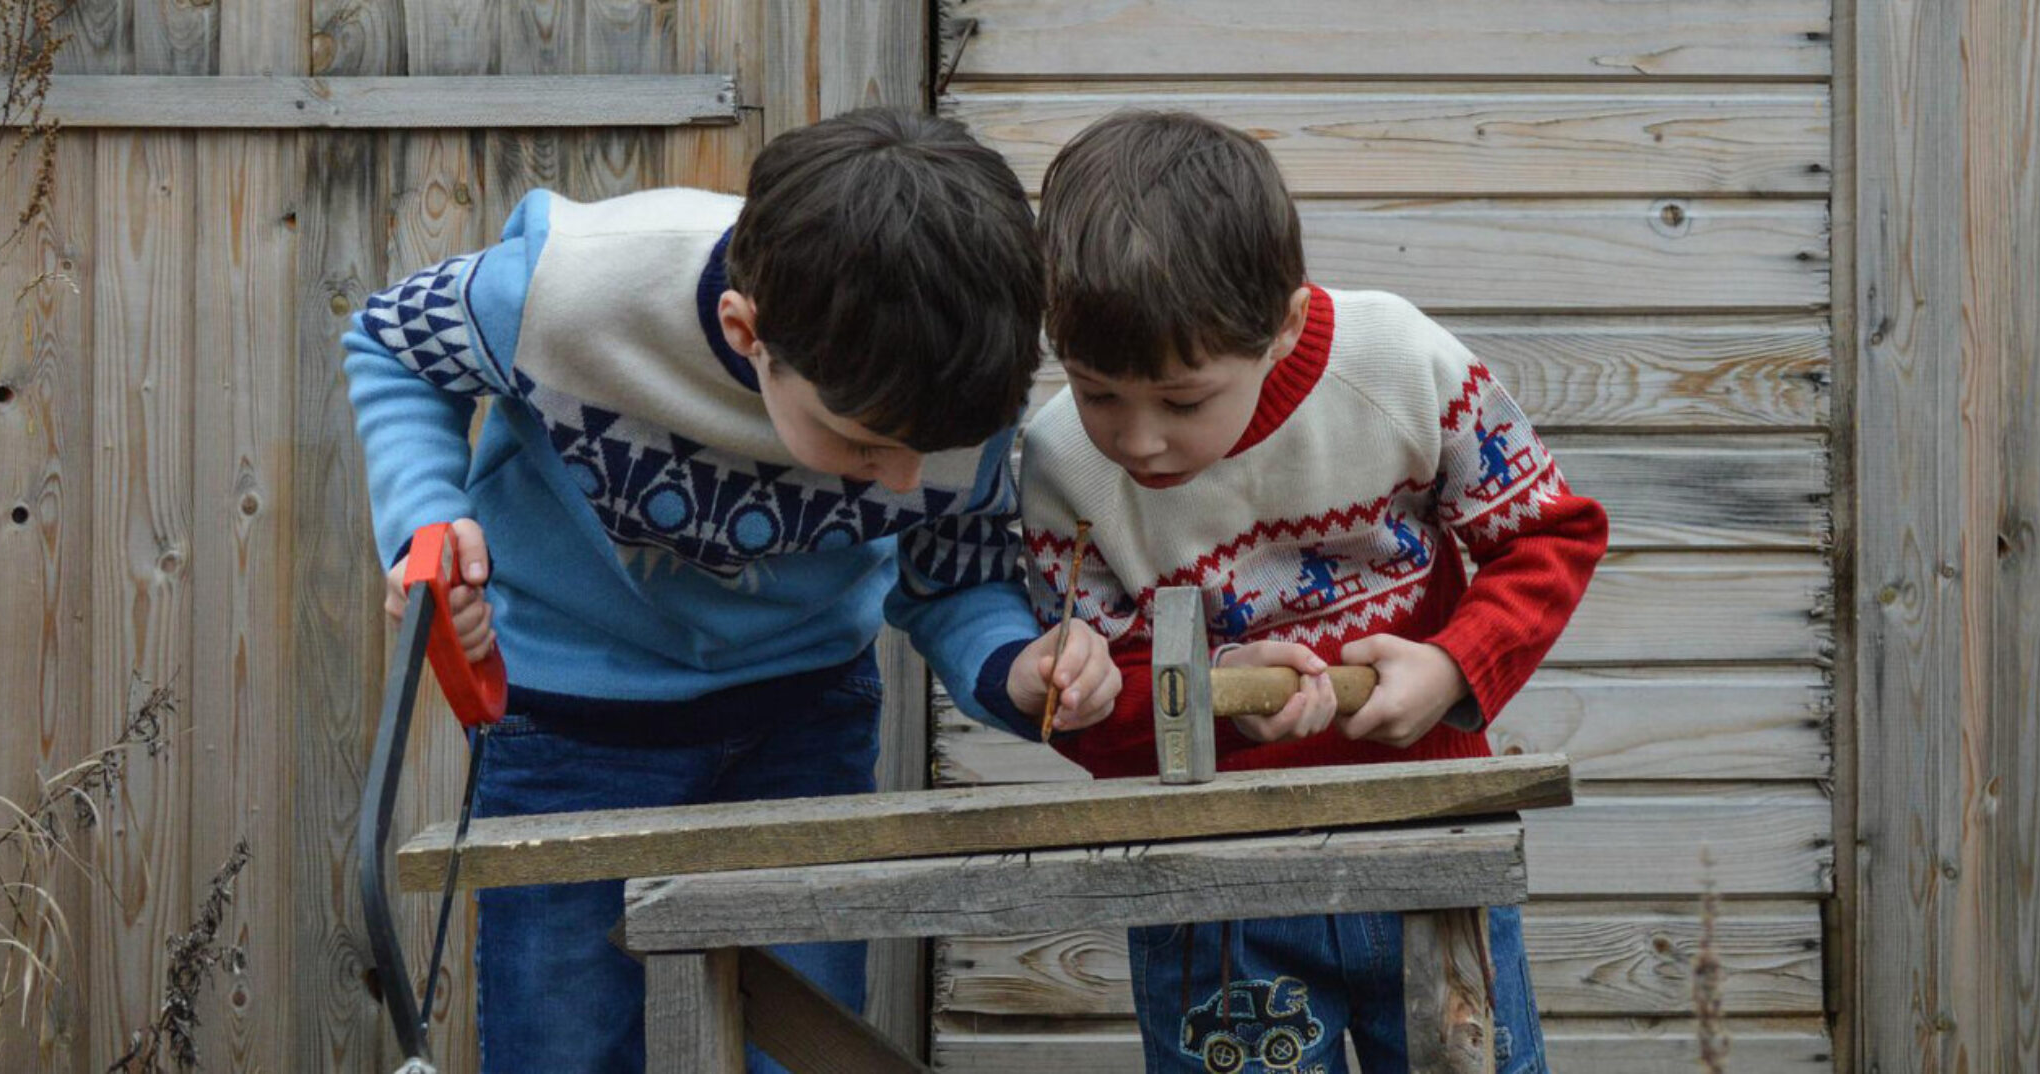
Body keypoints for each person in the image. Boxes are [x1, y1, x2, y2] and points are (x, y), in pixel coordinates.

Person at [343, 108, 1117, 1070]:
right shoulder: (577, 291)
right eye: (866, 445)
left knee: (809, 1042)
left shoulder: (961, 384)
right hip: (568, 728)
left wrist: (1019, 669)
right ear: (745, 332)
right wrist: (425, 518)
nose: (907, 480)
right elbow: (390, 342)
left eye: (931, 451)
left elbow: (954, 583)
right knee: (563, 1046)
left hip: (804, 718)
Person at [1023, 110, 1608, 1073]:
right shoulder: (1057, 467)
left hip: (1428, 850)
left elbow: (1547, 535)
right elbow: (1084, 704)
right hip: (1210, 896)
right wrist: (1211, 693)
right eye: (1097, 392)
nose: (1136, 440)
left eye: (1182, 400)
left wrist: (1452, 666)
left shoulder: (1401, 367)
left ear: (1284, 323)